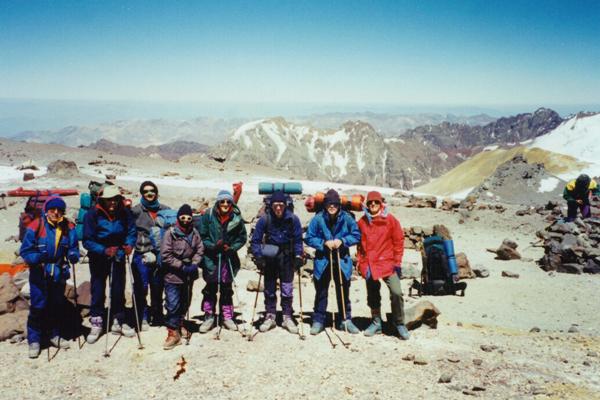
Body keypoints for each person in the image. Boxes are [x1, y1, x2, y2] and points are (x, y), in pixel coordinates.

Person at [20, 196, 80, 358]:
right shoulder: (36, 225)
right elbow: (25, 251)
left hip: (58, 272)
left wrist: (73, 255)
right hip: (40, 272)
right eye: (52, 209)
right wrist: (37, 258)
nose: (55, 212)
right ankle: (35, 339)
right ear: (46, 210)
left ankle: (54, 334)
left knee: (56, 305)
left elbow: (73, 247)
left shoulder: (68, 227)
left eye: (59, 209)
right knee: (38, 306)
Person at [82, 185, 137, 343]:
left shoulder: (125, 212)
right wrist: (104, 250)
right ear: (102, 200)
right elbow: (87, 240)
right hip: (99, 257)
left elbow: (131, 231)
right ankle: (97, 322)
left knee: (118, 288)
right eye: (109, 200)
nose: (112, 202)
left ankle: (118, 320)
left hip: (118, 254)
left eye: (115, 199)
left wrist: (129, 245)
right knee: (98, 289)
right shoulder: (92, 215)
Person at [304, 189, 361, 335]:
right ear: (325, 205)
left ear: (338, 205)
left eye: (334, 204)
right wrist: (323, 243)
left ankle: (345, 320)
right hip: (323, 261)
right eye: (329, 204)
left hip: (342, 260)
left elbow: (356, 235)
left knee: (343, 291)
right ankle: (318, 320)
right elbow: (309, 237)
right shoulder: (318, 219)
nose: (332, 207)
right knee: (321, 291)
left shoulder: (347, 218)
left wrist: (342, 241)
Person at [357, 191, 409, 340]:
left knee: (396, 292)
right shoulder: (362, 222)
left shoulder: (391, 220)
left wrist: (397, 263)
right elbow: (359, 245)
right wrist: (361, 264)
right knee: (373, 293)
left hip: (387, 263)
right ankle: (376, 322)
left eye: (376, 202)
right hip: (370, 264)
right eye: (370, 202)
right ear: (367, 205)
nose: (373, 204)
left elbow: (398, 242)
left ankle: (399, 323)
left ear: (381, 203)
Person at [250, 190, 304, 334]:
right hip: (270, 258)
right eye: (275, 205)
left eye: (281, 205)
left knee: (287, 288)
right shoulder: (265, 220)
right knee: (269, 288)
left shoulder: (293, 219)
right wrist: (258, 256)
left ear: (285, 205)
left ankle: (287, 316)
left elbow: (298, 239)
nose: (278, 208)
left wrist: (299, 256)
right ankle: (270, 315)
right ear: (271, 205)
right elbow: (255, 240)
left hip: (287, 258)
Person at [197, 190, 247, 333]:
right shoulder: (208, 215)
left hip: (228, 258)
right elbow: (202, 235)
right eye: (222, 201)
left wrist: (232, 248)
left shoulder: (236, 217)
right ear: (218, 202)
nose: (225, 204)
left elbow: (242, 237)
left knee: (226, 288)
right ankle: (209, 316)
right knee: (210, 288)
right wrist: (213, 246)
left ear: (231, 203)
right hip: (211, 258)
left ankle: (227, 317)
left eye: (228, 201)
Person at [160, 204, 204, 349]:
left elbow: (199, 249)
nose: (185, 220)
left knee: (185, 302)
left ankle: (180, 323)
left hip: (188, 276)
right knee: (172, 304)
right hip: (172, 276)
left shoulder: (194, 233)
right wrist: (181, 266)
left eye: (188, 218)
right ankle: (173, 333)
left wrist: (194, 264)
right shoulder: (170, 233)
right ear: (178, 218)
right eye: (182, 217)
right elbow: (165, 255)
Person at [131, 181, 170, 328]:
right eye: (146, 191)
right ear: (141, 193)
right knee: (141, 286)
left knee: (158, 285)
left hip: (160, 253)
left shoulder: (165, 210)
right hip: (141, 253)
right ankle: (142, 316)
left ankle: (157, 314)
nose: (149, 193)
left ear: (156, 192)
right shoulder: (135, 212)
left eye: (152, 190)